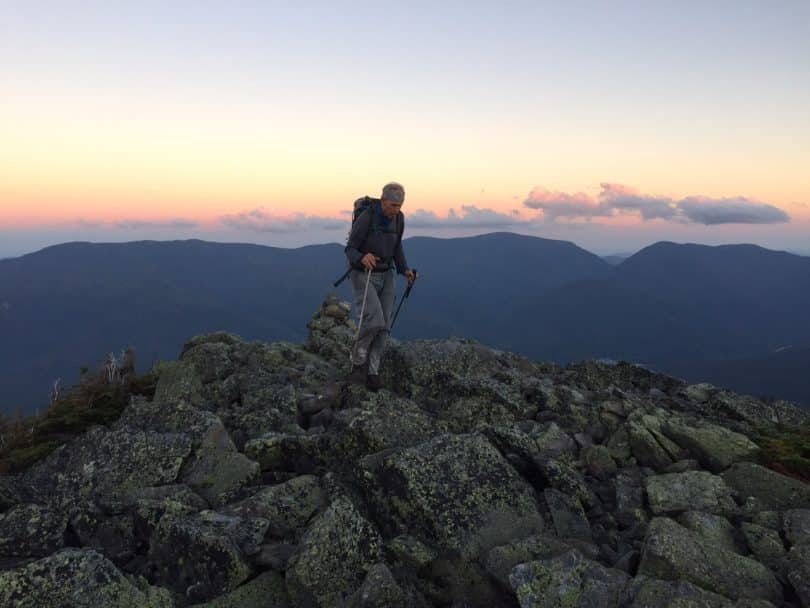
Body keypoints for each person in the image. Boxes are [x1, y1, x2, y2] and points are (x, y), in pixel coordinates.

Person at [344, 182, 416, 390]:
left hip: (387, 273)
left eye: (400, 206)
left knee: (385, 327)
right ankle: (358, 363)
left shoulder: (399, 219)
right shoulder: (368, 217)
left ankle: (373, 372)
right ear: (383, 200)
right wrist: (362, 256)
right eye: (393, 205)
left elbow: (397, 246)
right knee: (373, 320)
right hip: (363, 274)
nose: (396, 210)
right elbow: (350, 249)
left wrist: (405, 270)